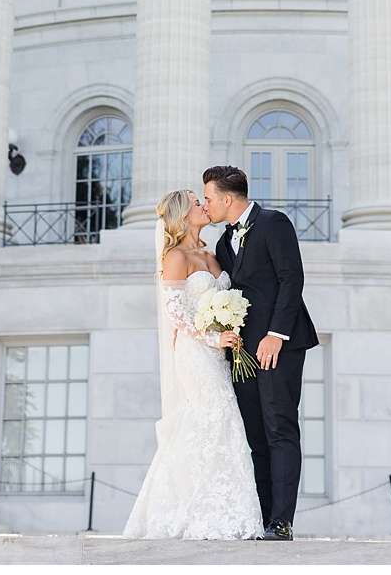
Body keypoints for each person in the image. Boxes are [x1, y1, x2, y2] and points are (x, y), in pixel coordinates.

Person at [122, 189, 263, 541]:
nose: (204, 205)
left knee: (219, 422)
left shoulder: (212, 253)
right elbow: (176, 313)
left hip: (220, 352)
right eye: (196, 203)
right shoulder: (176, 255)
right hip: (196, 353)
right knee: (219, 414)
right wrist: (213, 338)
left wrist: (227, 328)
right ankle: (197, 510)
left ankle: (219, 510)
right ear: (183, 216)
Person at [203, 164, 319, 542]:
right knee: (255, 435)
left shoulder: (274, 223)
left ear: (225, 198)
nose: (205, 205)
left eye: (207, 199)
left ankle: (282, 522)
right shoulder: (223, 243)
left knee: (280, 428)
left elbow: (292, 278)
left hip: (278, 347)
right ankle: (264, 520)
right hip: (241, 356)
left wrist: (276, 334)